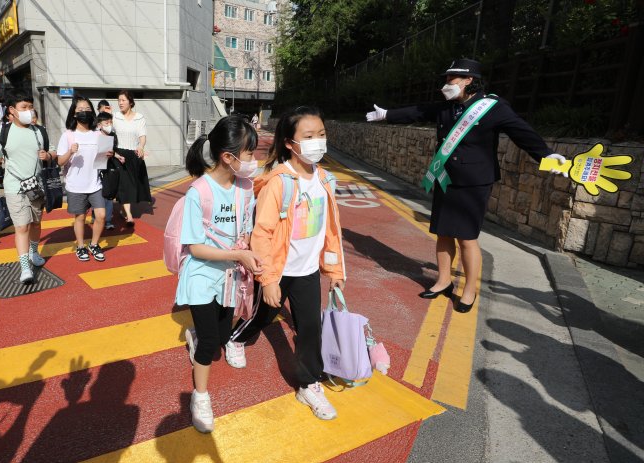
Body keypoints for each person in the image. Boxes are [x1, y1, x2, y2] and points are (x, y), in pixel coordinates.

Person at [366, 58, 569, 312]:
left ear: (469, 80)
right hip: (446, 177)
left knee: (466, 239)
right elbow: (419, 110)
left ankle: (470, 289)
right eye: (447, 78)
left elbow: (521, 131)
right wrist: (387, 114)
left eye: (452, 78)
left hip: (474, 183)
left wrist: (545, 154)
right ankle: (443, 280)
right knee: (442, 232)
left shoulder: (492, 107)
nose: (447, 83)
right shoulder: (448, 106)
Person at [228, 105, 346, 421]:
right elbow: (262, 234)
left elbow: (331, 229)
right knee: (262, 316)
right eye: (308, 136)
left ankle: (308, 384)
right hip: (279, 270)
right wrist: (267, 281)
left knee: (310, 328)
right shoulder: (279, 182)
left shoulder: (325, 180)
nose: (317, 142)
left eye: (321, 134)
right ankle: (234, 338)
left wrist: (334, 270)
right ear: (291, 143)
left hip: (307, 272)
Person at [178, 115, 262, 433]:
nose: (254, 160)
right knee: (212, 342)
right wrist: (238, 254)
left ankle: (197, 335)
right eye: (250, 153)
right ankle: (199, 396)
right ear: (228, 157)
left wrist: (249, 252)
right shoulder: (198, 192)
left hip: (230, 277)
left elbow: (245, 230)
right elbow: (196, 249)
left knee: (222, 334)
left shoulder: (245, 188)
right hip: (201, 275)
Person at [0, 94, 56, 284]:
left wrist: (48, 155)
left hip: (37, 187)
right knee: (21, 226)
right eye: (24, 107)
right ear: (12, 111)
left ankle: (34, 252)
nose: (29, 111)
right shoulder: (3, 132)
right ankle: (24, 267)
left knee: (36, 224)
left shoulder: (40, 131)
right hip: (14, 186)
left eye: (30, 106)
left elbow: (53, 152)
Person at [56, 96, 111, 262]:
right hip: (75, 185)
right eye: (80, 110)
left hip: (95, 183)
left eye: (87, 109)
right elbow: (60, 161)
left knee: (101, 215)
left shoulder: (98, 134)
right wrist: (70, 152)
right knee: (80, 217)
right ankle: (80, 246)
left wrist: (110, 154)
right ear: (73, 114)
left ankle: (94, 244)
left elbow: (103, 159)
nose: (84, 112)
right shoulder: (68, 135)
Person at [114, 90, 152, 226]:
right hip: (120, 155)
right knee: (125, 184)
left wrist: (141, 146)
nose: (120, 103)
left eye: (123, 100)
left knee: (133, 184)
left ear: (130, 102)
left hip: (134, 155)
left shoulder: (139, 117)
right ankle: (129, 216)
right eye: (119, 100)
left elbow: (142, 136)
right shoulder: (116, 117)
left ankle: (123, 209)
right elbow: (107, 131)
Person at [94, 111, 122, 231]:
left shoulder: (113, 136)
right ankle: (96, 216)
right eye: (107, 122)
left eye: (111, 122)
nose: (109, 124)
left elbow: (114, 150)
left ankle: (108, 220)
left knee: (108, 194)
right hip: (95, 170)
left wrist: (117, 156)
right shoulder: (94, 136)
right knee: (97, 195)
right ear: (99, 125)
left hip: (109, 169)